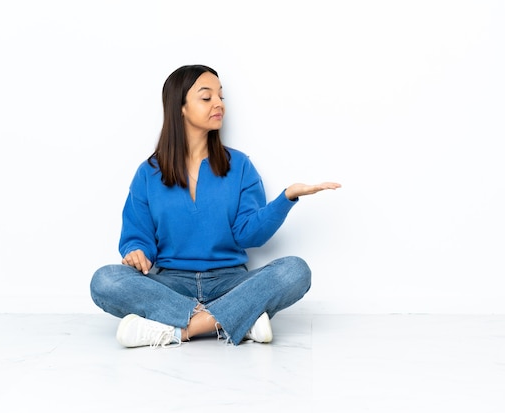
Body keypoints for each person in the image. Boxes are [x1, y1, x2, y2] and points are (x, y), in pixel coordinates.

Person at [90, 64, 341, 349]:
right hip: (171, 284)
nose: (219, 104)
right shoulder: (149, 172)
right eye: (207, 97)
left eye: (221, 97)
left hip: (230, 282)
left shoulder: (240, 166)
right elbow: (138, 237)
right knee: (105, 280)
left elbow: (249, 235)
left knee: (295, 270)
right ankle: (238, 320)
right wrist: (136, 252)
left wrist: (286, 199)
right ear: (180, 107)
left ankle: (177, 331)